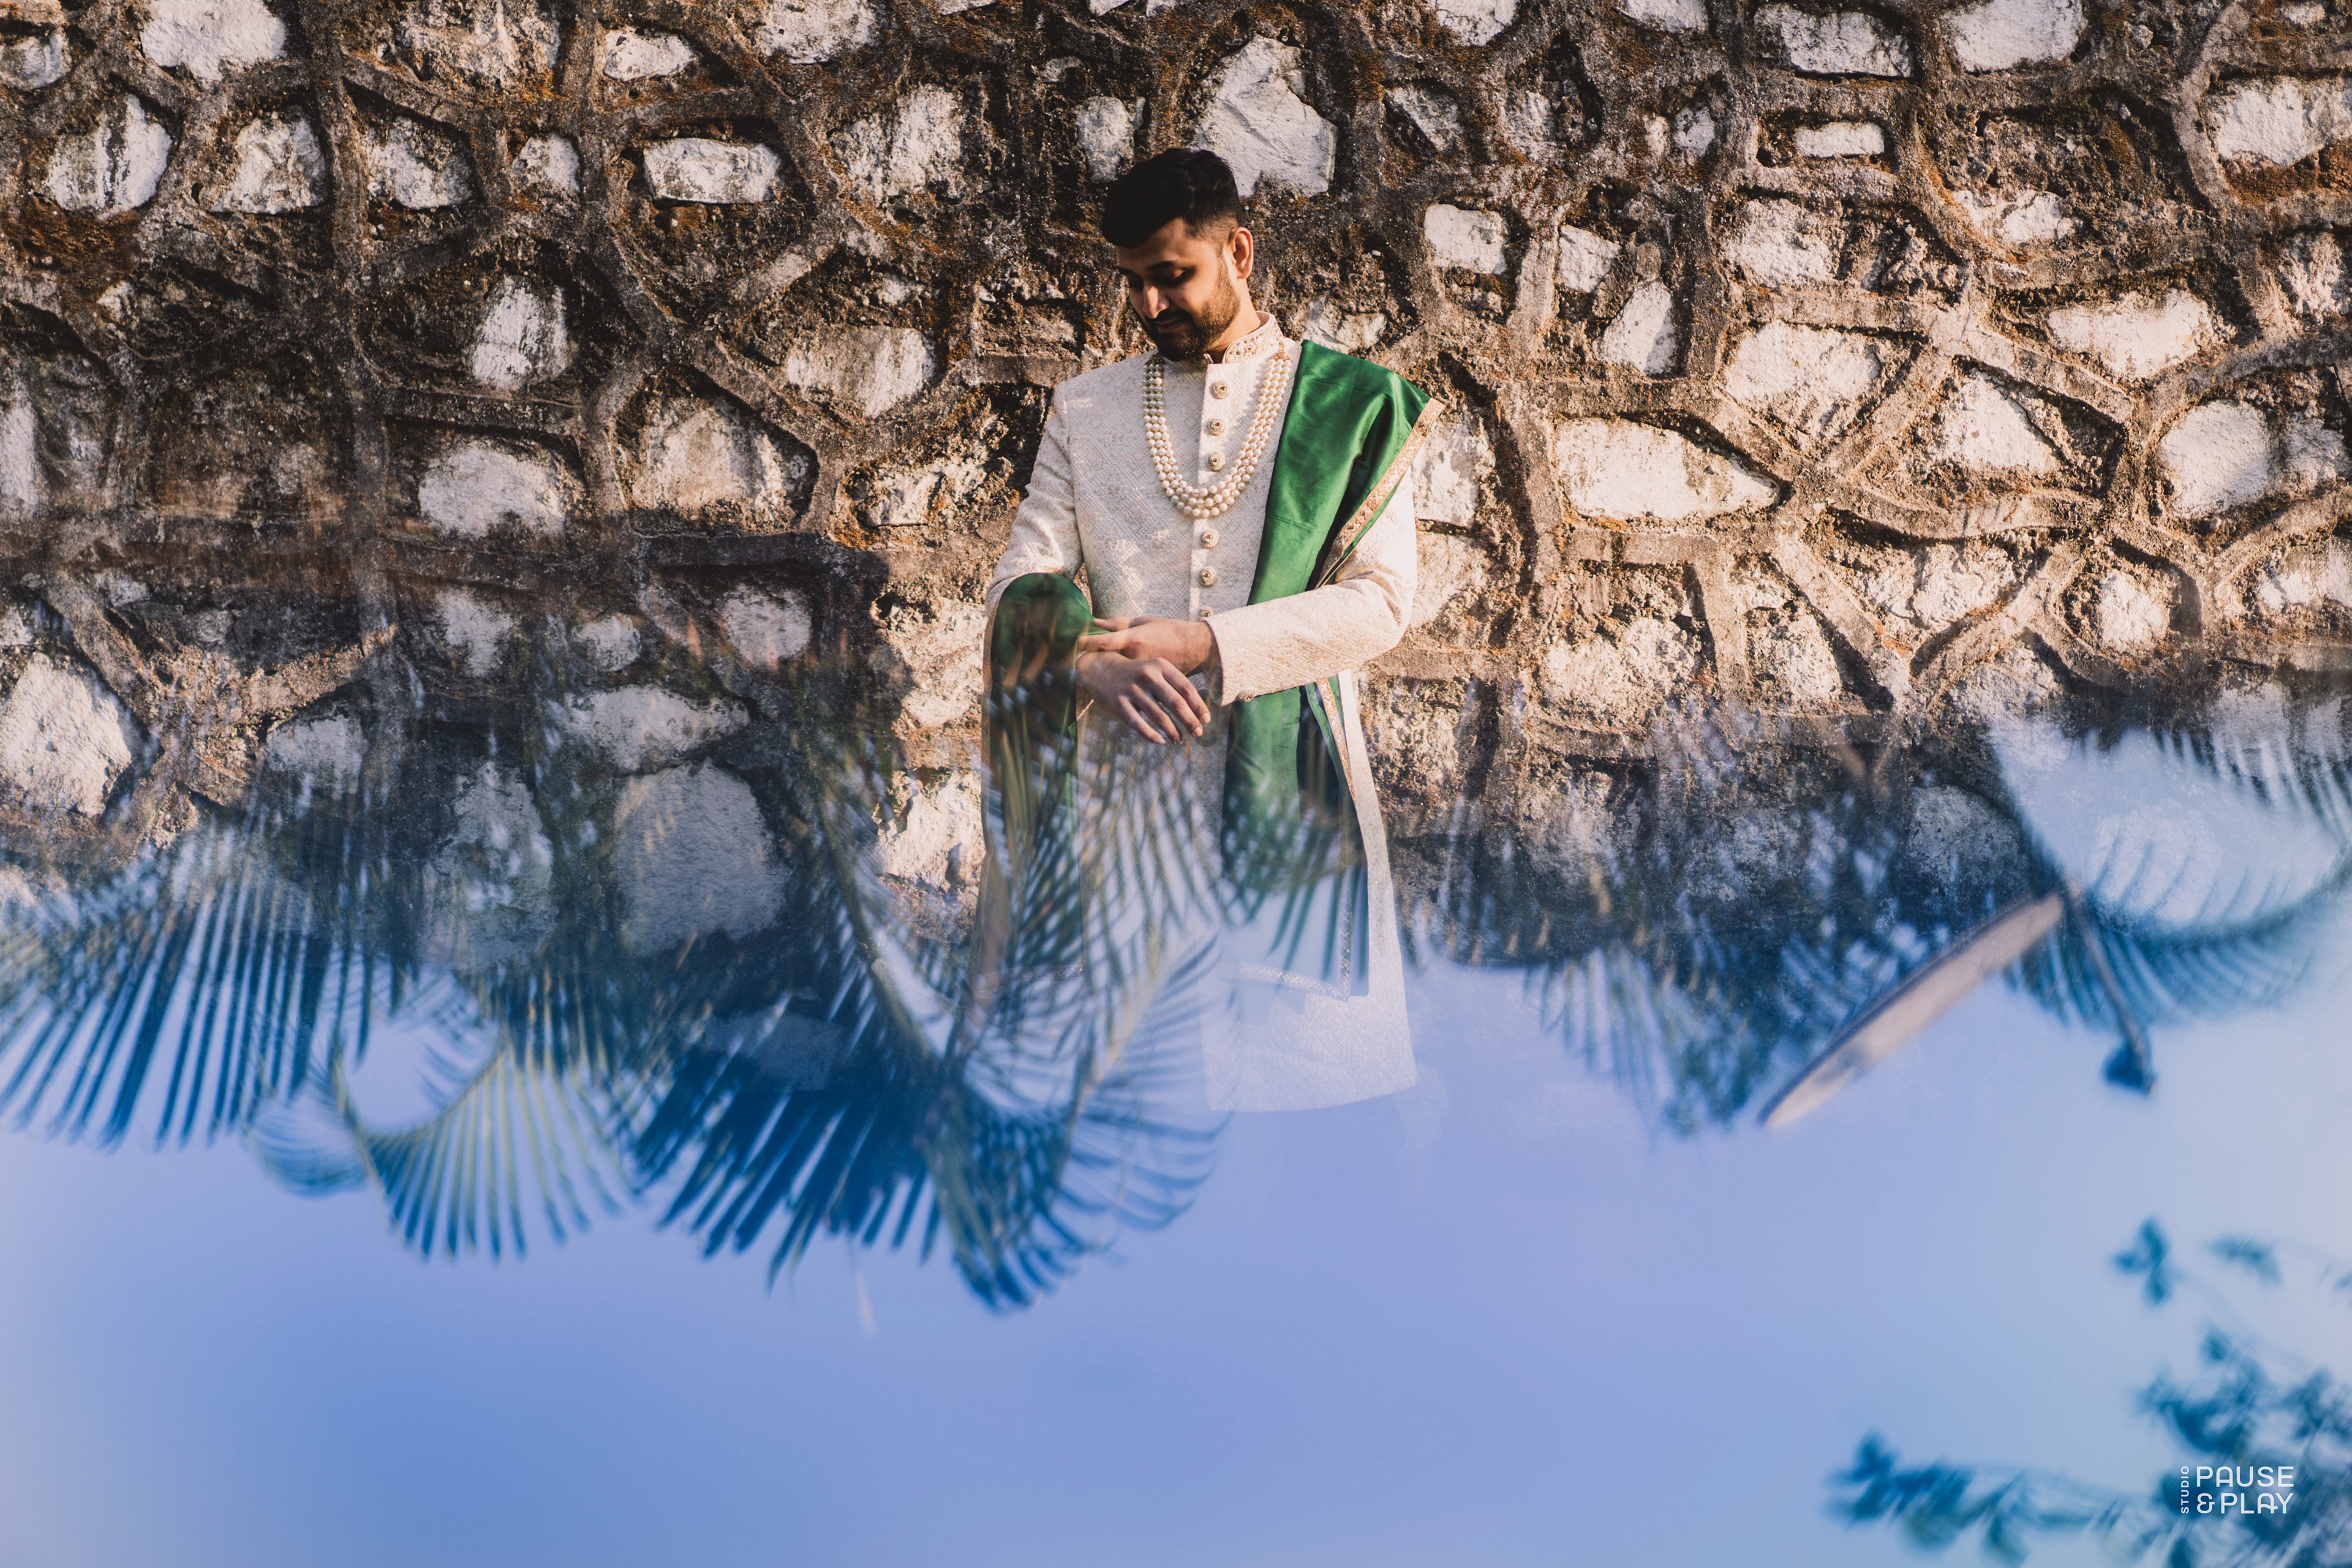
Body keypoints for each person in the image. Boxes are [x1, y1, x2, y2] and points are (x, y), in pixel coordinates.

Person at [970, 148, 1439, 1112]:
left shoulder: (1355, 407)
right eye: (1133, 282)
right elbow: (1020, 581)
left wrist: (1203, 646)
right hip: (1124, 814)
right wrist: (1082, 663)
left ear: (1240, 252)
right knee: (1133, 1117)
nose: (1150, 305)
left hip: (1296, 802)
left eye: (1172, 275)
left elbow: (1382, 604)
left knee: (1300, 1122)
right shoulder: (1085, 409)